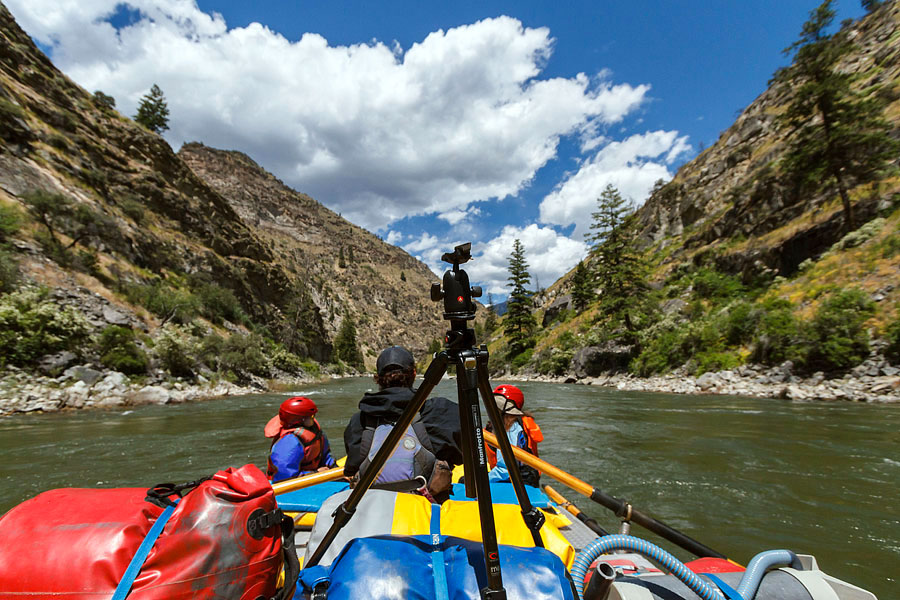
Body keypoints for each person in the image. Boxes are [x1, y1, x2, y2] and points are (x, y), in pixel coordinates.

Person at [343, 345, 461, 502]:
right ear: (413, 374)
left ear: (377, 378)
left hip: (374, 511)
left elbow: (352, 467)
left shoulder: (359, 420)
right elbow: (462, 457)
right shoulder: (440, 410)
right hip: (427, 513)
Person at [265, 396, 337, 483]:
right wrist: (316, 473)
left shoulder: (314, 430)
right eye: (310, 417)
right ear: (298, 420)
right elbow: (285, 475)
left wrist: (335, 468)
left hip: (312, 476)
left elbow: (325, 456)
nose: (313, 418)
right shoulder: (289, 442)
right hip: (288, 485)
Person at [486, 384, 542, 487]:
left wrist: (484, 479)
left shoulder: (512, 428)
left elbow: (505, 469)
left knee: (464, 481)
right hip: (518, 476)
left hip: (518, 480)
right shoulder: (512, 423)